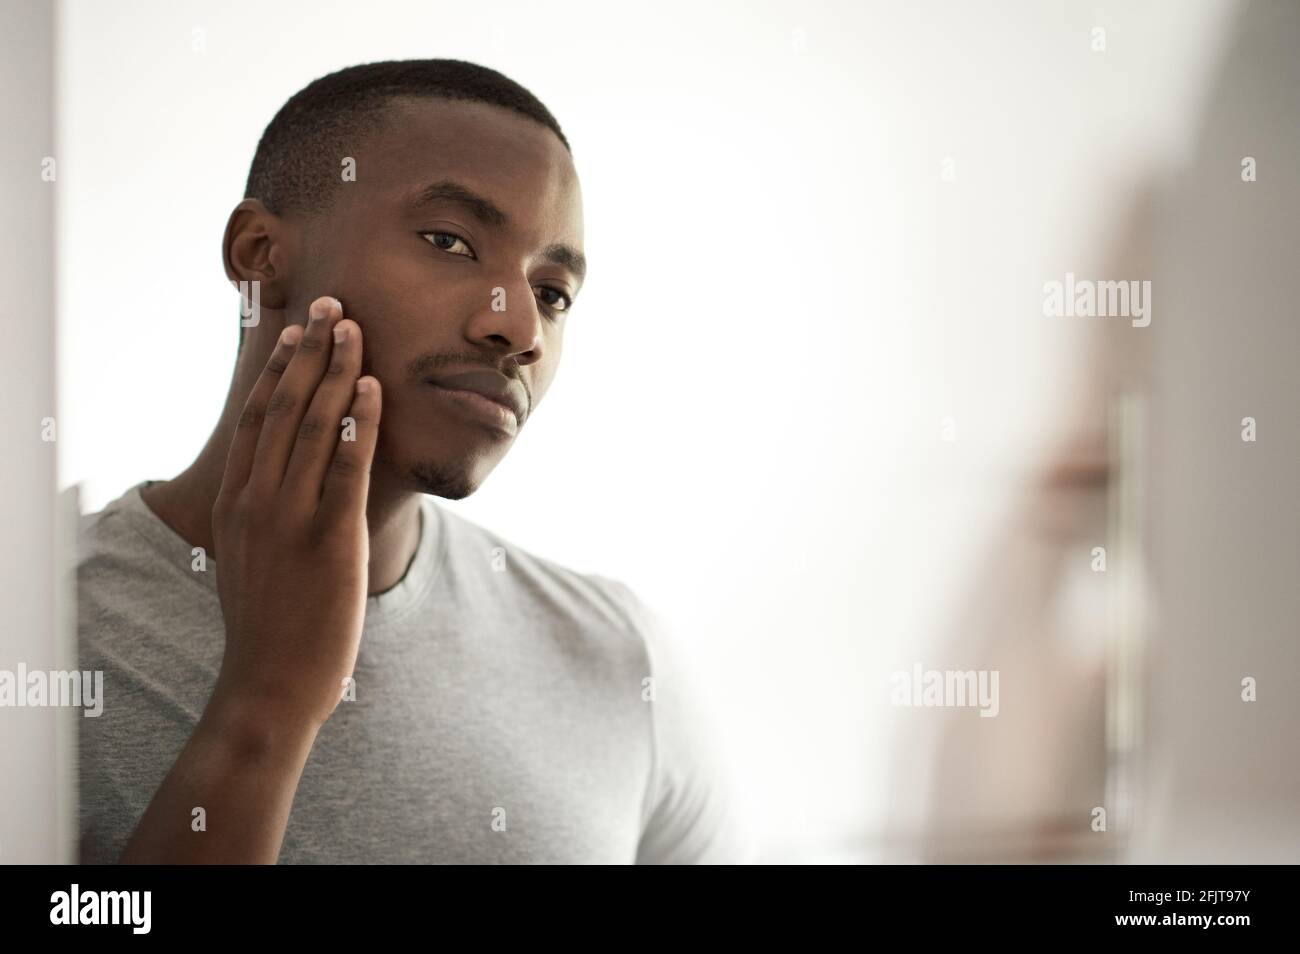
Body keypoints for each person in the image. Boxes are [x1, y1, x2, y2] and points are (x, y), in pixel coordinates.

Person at [77, 58, 751, 864]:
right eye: (450, 242)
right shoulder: (39, 631)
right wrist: (266, 704)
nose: (520, 329)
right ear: (260, 254)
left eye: (553, 293)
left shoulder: (616, 659)